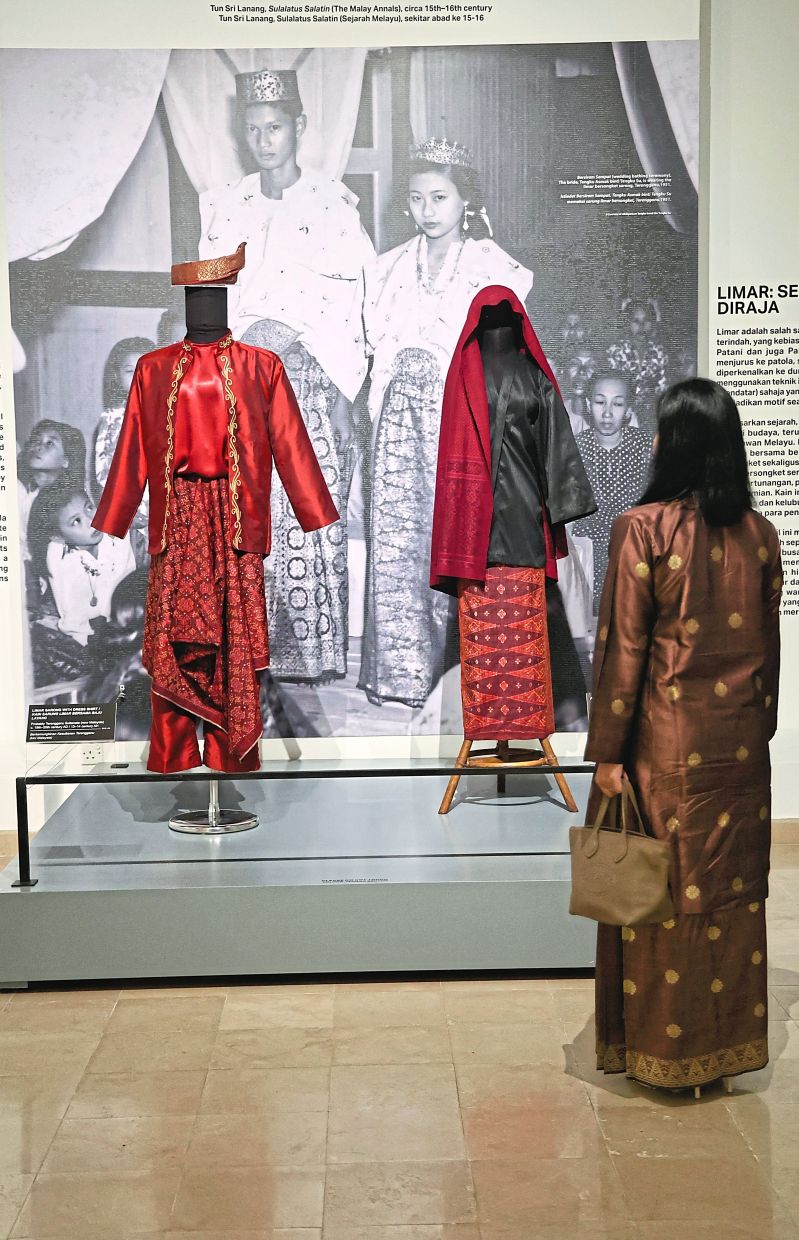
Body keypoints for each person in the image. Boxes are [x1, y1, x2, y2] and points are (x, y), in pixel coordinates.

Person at [585, 378, 781, 1093]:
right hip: (737, 753)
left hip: (662, 752)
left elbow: (622, 650)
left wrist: (608, 754)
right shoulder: (760, 536)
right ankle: (721, 1054)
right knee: (729, 897)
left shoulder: (641, 528)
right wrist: (756, 733)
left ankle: (661, 1058)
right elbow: (767, 653)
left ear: (672, 443)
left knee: (657, 895)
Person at [198, 67, 374, 683]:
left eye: (275, 127)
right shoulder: (226, 204)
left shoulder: (332, 204)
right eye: (254, 130)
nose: (265, 140)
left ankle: (311, 652)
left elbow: (355, 296)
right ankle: (249, 647)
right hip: (238, 373)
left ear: (298, 126)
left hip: (310, 376)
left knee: (306, 505)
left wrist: (336, 379)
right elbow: (211, 292)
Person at [360, 137, 533, 709]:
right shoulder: (384, 271)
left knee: (457, 540)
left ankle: (456, 679)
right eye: (415, 198)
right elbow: (377, 355)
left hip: (460, 420)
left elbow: (506, 357)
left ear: (466, 201)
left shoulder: (492, 267)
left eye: (439, 197)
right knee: (398, 543)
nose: (427, 210)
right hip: (395, 424)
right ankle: (399, 674)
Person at [572, 373, 652, 611]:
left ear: (628, 410)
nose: (607, 413)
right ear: (588, 404)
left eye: (617, 404)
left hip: (635, 554)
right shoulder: (574, 447)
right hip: (588, 558)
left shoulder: (646, 446)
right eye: (600, 402)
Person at [28, 483, 136, 647]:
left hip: (128, 614)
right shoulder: (58, 556)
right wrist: (89, 640)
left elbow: (126, 582)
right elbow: (72, 613)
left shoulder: (114, 533)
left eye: (89, 508)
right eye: (76, 521)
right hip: (92, 633)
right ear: (58, 537)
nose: (91, 521)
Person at [93, 337, 155, 566]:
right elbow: (104, 473)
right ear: (116, 377)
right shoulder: (112, 420)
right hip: (131, 517)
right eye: (130, 370)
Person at [17, 419, 87, 559]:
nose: (38, 447)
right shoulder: (20, 492)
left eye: (50, 443)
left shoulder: (73, 502)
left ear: (65, 461)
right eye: (36, 441)